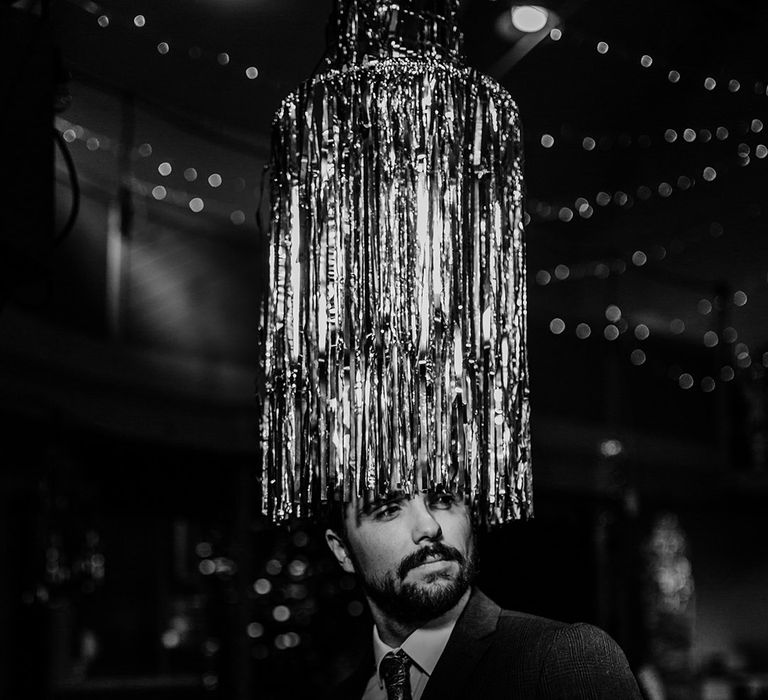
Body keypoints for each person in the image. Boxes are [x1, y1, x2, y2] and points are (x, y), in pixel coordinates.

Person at [325, 487, 643, 699]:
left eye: (442, 499)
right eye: (388, 509)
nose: (429, 527)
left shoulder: (561, 657)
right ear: (342, 552)